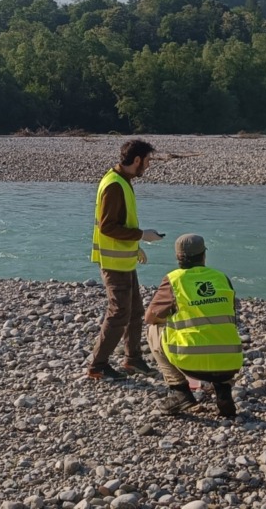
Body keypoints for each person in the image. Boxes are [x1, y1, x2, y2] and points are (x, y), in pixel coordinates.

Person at [87, 139, 164, 380]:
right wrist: (142, 235)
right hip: (113, 262)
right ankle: (97, 366)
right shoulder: (114, 185)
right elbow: (109, 227)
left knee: (134, 311)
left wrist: (136, 244)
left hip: (123, 258)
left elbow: (120, 224)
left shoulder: (123, 180)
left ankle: (133, 360)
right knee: (119, 312)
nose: (149, 166)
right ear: (137, 160)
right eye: (148, 161)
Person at [144, 233, 243, 418]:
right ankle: (223, 392)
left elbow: (150, 317)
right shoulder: (221, 277)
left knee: (153, 329)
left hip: (191, 364)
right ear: (204, 255)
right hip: (230, 362)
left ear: (177, 257)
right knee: (219, 326)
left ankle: (180, 392)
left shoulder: (174, 280)